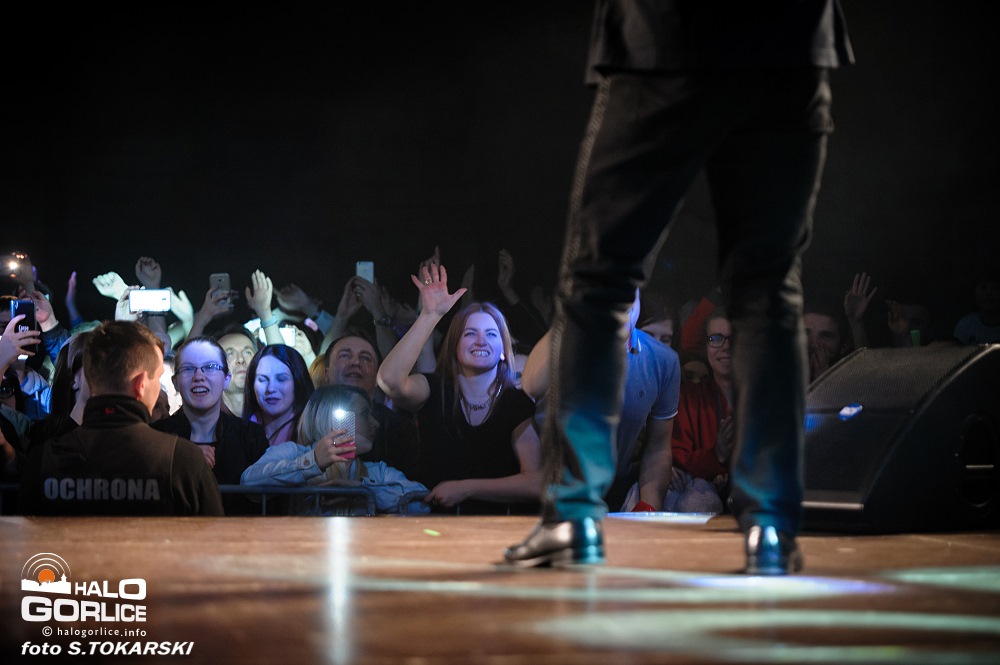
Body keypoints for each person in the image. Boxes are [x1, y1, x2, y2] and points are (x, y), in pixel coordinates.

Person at [504, 0, 853, 575]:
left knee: (599, 282)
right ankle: (770, 527)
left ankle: (572, 518)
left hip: (663, 38)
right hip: (787, 43)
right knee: (768, 289)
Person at [376, 264, 542, 514]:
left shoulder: (515, 402)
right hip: (433, 526)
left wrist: (466, 488)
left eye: (491, 334)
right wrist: (430, 316)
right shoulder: (433, 389)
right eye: (470, 334)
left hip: (494, 528)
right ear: (454, 346)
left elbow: (535, 483)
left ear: (503, 351)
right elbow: (390, 381)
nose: (481, 341)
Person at [18, 320, 223, 515]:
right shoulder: (183, 461)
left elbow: (25, 535)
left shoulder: (42, 459)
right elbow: (213, 535)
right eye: (158, 377)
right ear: (141, 384)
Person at [521, 289, 679, 512]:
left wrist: (648, 508)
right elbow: (530, 385)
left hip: (613, 492)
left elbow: (658, 447)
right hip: (548, 492)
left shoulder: (663, 360)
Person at [240, 385, 429, 515]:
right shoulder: (293, 453)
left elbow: (423, 503)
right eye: (365, 414)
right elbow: (248, 482)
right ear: (334, 418)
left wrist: (363, 491)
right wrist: (312, 462)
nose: (375, 423)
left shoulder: (377, 472)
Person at [153, 336, 269, 515]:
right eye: (188, 369)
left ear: (226, 379)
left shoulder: (251, 437)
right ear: (175, 382)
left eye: (210, 367)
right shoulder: (157, 436)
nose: (199, 377)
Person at [666, 308, 735, 513]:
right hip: (698, 494)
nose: (726, 347)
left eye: (734, 338)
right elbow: (678, 455)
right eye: (716, 339)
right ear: (705, 347)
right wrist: (717, 455)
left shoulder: (762, 399)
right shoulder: (690, 397)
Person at [324, 329, 419, 477]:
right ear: (326, 374)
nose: (356, 362)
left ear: (376, 377)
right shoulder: (307, 419)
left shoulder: (398, 429)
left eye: (365, 358)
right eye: (345, 356)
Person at [243, 344, 315, 447]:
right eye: (262, 380)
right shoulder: (240, 430)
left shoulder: (312, 433)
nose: (271, 388)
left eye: (281, 379)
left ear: (298, 382)